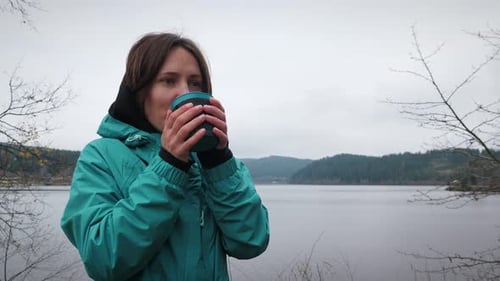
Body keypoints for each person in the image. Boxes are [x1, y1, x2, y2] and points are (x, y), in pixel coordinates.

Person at [60, 32, 270, 281]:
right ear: (140, 91)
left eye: (195, 83)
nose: (184, 93)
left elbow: (250, 242)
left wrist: (218, 163)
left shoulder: (218, 164)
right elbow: (103, 259)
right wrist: (169, 165)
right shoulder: (100, 156)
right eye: (169, 81)